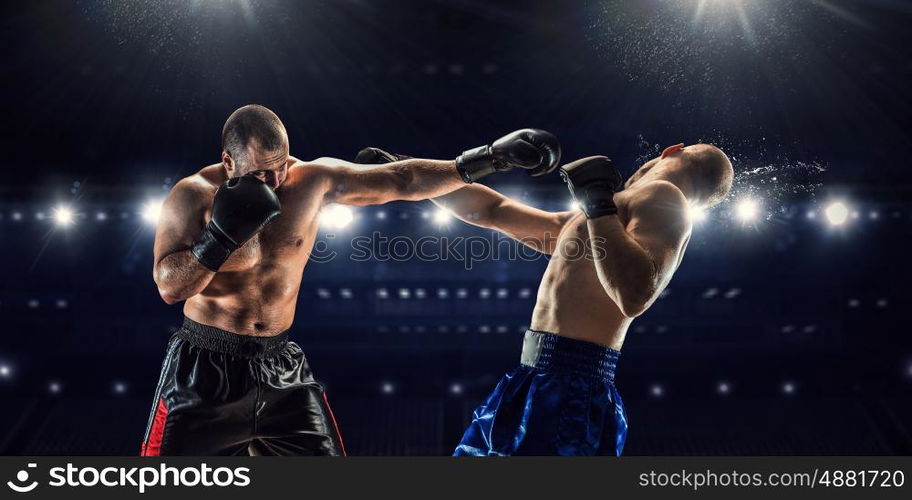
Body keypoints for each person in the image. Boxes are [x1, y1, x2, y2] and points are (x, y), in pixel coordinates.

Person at [140, 104, 560, 456]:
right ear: (228, 161)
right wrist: (218, 238)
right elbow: (170, 287)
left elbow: (403, 179)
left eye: (280, 166)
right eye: (259, 174)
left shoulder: (311, 181)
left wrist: (489, 158)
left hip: (280, 367)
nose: (273, 182)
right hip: (203, 371)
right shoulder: (193, 195)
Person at [354, 142, 733, 455]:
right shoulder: (611, 213)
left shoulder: (665, 197)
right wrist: (406, 170)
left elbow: (635, 295)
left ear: (672, 150)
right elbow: (494, 211)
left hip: (573, 386)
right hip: (532, 377)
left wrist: (598, 202)